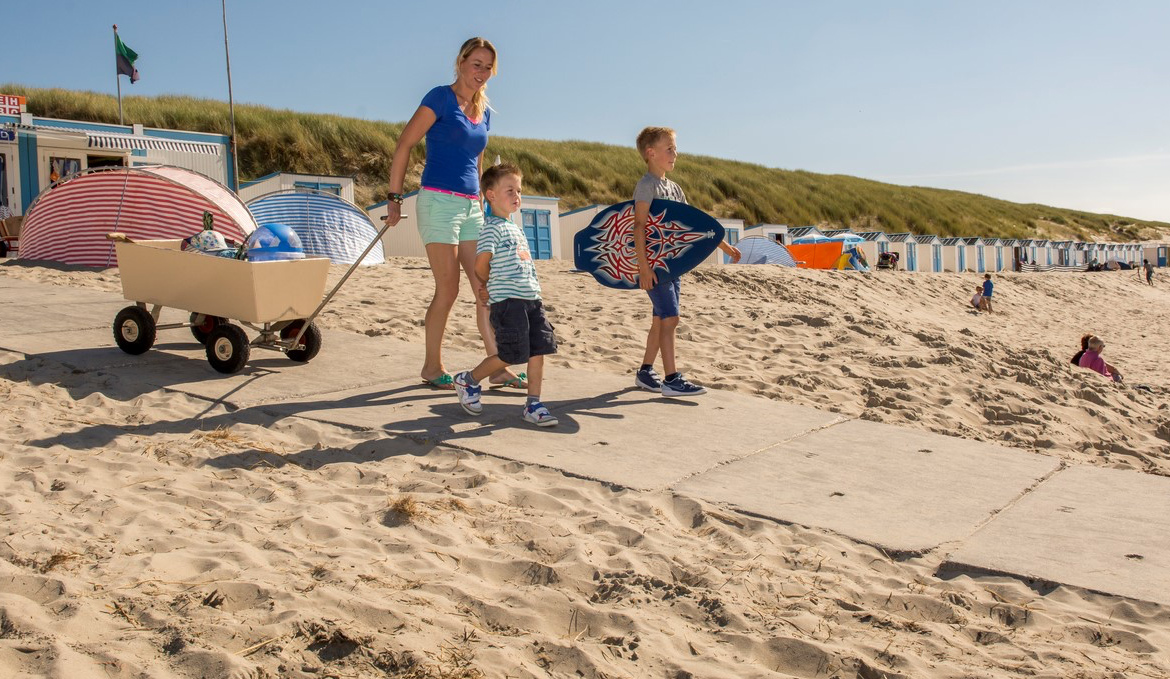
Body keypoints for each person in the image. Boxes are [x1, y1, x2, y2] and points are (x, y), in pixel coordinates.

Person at [383, 37, 524, 391]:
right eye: (476, 64)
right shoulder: (440, 97)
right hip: (438, 202)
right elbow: (404, 144)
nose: (481, 72)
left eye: (488, 67)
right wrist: (394, 198)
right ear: (461, 62)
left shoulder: (484, 111)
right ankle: (432, 367)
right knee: (448, 289)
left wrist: (481, 199)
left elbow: (476, 161)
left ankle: (497, 367)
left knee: (483, 287)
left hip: (470, 205)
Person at [631, 127, 740, 396]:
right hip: (655, 267)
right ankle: (671, 378)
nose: (675, 153)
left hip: (673, 265)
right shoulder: (647, 186)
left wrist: (724, 245)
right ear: (651, 153)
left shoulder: (674, 188)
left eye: (675, 148)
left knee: (660, 318)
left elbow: (695, 224)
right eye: (669, 149)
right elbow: (638, 225)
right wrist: (643, 268)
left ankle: (646, 372)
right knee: (671, 318)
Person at [453, 163, 558, 427]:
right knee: (511, 354)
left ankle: (534, 403)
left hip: (532, 300)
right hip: (508, 303)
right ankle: (469, 380)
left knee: (538, 350)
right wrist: (488, 284)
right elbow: (480, 263)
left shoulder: (516, 228)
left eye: (519, 190)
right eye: (509, 190)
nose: (517, 196)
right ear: (490, 195)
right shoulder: (492, 227)